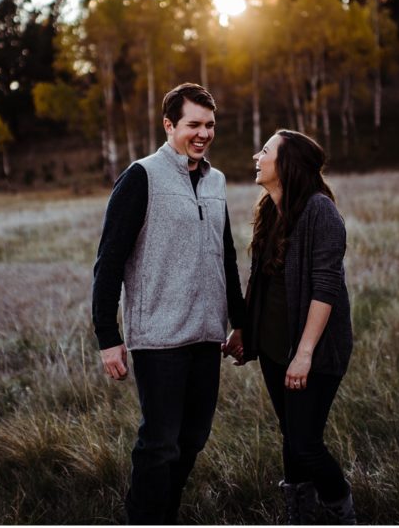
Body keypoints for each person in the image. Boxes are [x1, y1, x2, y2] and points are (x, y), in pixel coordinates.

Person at [92, 82, 246, 524]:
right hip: (159, 336)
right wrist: (108, 335)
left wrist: (239, 321)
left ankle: (165, 512)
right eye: (193, 124)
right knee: (160, 443)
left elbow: (227, 253)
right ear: (169, 125)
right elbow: (109, 261)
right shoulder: (141, 177)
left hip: (207, 334)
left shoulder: (215, 181)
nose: (203, 134)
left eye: (210, 125)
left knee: (194, 437)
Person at [228, 129, 356, 524]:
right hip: (272, 348)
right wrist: (244, 329)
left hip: (311, 354)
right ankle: (300, 512)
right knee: (292, 435)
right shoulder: (269, 209)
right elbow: (259, 279)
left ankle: (340, 510)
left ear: (286, 164)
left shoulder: (320, 211)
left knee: (304, 443)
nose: (256, 156)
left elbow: (325, 287)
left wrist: (303, 356)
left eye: (265, 151)